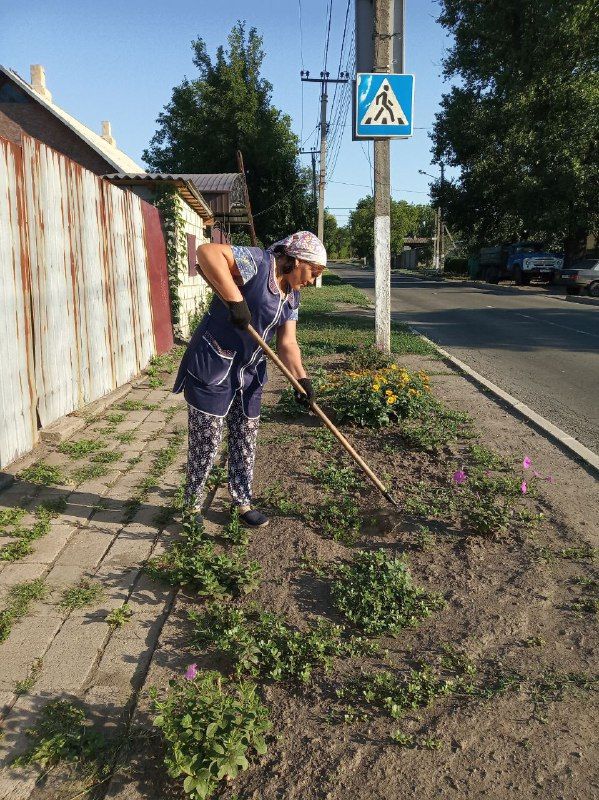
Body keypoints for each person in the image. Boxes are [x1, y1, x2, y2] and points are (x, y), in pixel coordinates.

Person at [173, 231, 327, 528]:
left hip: (249, 374)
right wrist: (235, 300)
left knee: (246, 438)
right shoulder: (258, 262)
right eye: (313, 272)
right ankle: (191, 506)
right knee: (208, 439)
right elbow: (206, 252)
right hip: (214, 364)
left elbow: (288, 344)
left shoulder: (292, 296)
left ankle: (242, 501)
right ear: (296, 260)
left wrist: (302, 379)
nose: (312, 280)